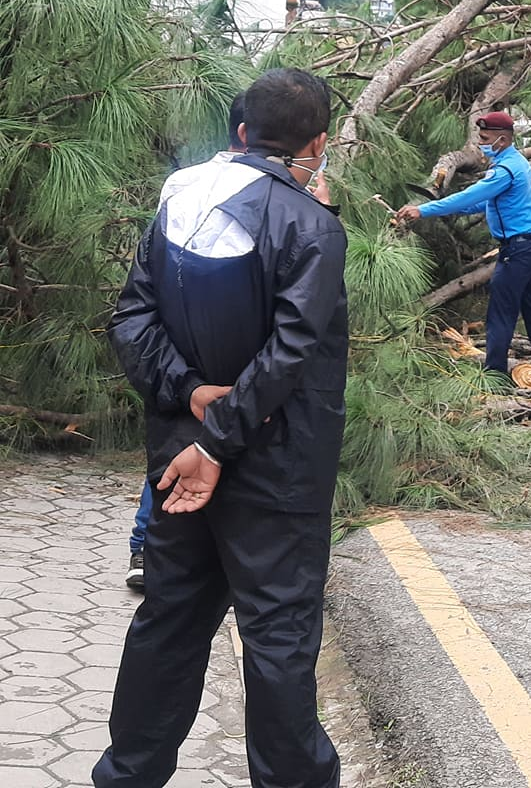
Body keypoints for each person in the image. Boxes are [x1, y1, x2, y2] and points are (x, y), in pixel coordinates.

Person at [96, 68, 349, 788]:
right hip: (278, 472)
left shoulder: (178, 206)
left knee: (168, 624)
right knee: (277, 642)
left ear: (241, 133)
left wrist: (189, 395)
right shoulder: (312, 227)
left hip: (182, 460)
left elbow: (131, 317)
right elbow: (291, 353)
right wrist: (220, 438)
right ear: (318, 145)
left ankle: (126, 775)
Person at [125, 95, 250, 592]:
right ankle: (147, 542)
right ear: (245, 134)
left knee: (177, 442)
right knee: (179, 442)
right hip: (199, 346)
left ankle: (151, 547)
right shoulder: (196, 184)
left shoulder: (186, 180)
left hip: (175, 343)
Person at [397, 110, 531, 375]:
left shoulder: (505, 170)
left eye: (485, 138)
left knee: (500, 314)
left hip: (518, 250)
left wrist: (424, 209)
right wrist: (449, 211)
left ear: (503, 141)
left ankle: (493, 375)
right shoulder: (514, 163)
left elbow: (469, 195)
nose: (481, 143)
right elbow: (484, 203)